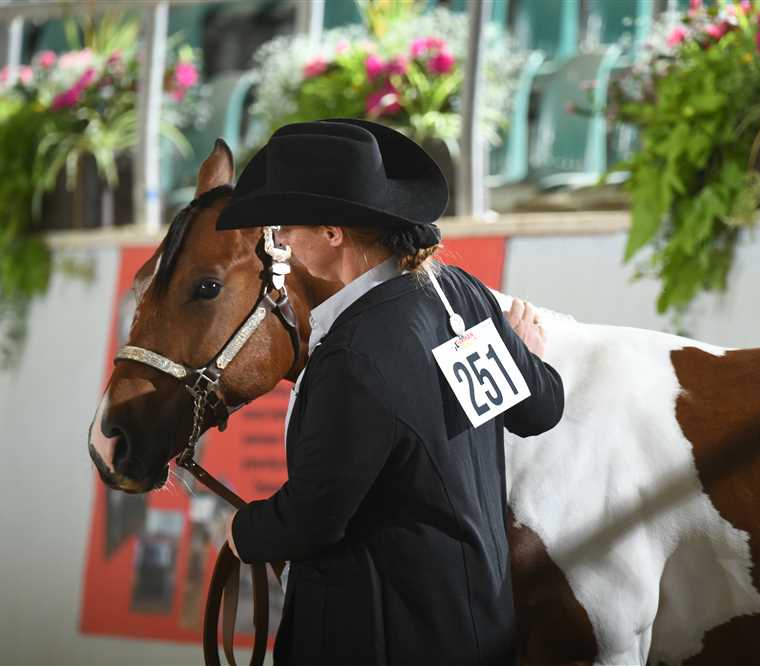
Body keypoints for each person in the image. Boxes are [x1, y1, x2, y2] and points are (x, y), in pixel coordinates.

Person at [216, 118, 564, 665]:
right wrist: (526, 357)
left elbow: (313, 519)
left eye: (286, 226)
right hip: (477, 629)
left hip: (381, 642)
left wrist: (245, 530)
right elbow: (541, 409)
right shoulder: (460, 294)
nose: (279, 240)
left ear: (333, 233)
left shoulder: (352, 356)